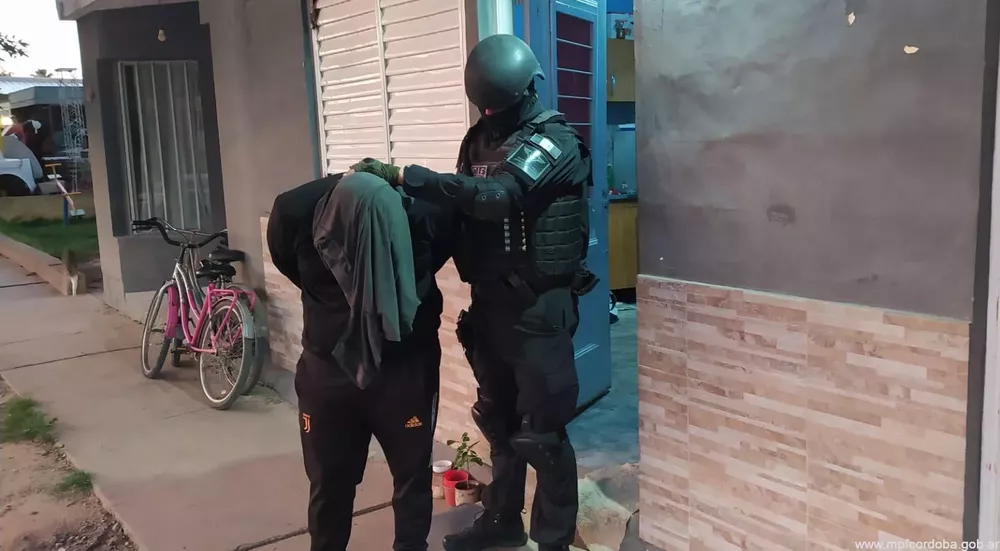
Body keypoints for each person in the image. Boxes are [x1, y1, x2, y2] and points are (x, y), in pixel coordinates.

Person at [350, 33, 595, 551]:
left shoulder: (557, 142)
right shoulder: (479, 139)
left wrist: (406, 175)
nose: (491, 116)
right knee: (499, 424)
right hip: (489, 306)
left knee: (543, 437)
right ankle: (503, 521)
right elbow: (459, 208)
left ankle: (553, 542)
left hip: (539, 311)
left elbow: (496, 197)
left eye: (496, 106)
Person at [266, 171, 457, 551]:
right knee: (331, 483)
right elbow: (287, 260)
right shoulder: (294, 211)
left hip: (400, 372)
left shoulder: (426, 212)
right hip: (335, 372)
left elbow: (437, 253)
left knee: (409, 477)